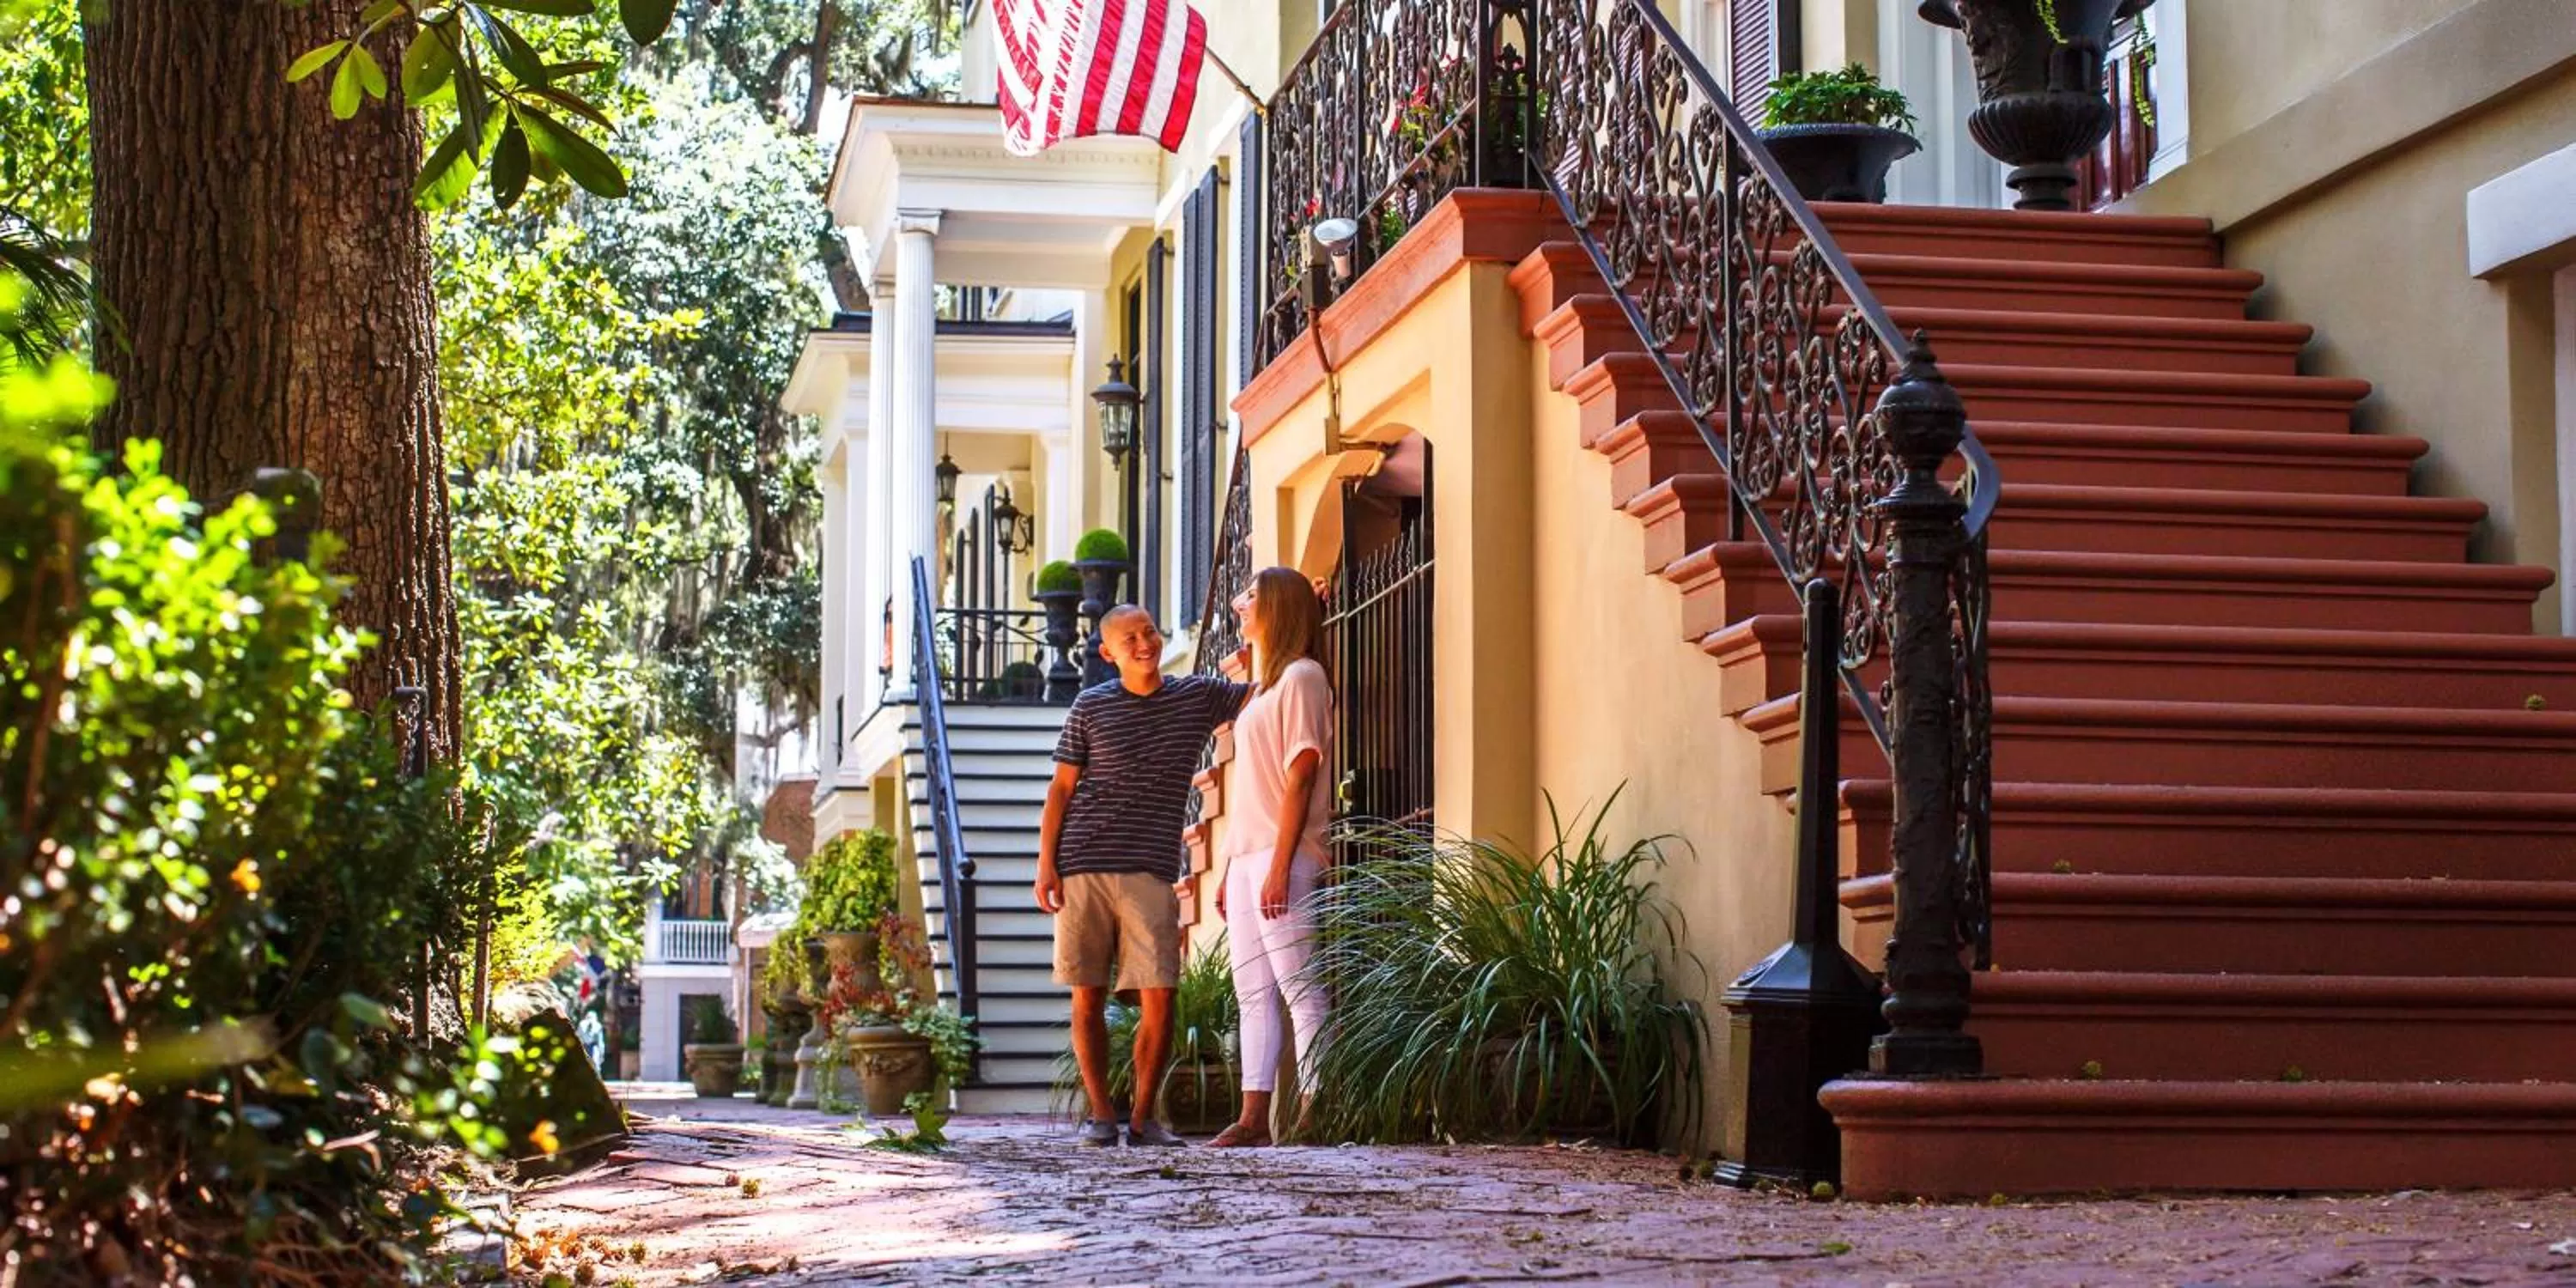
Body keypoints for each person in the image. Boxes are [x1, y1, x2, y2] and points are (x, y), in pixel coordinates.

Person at [1036, 604, 1249, 1148]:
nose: (1144, 643)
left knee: (1160, 992)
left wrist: (1296, 620)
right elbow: (1061, 790)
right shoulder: (1090, 705)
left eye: (1149, 631)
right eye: (1129, 638)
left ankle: (1143, 1119)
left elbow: (1263, 690)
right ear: (1108, 653)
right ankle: (1102, 1116)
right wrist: (1046, 864)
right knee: (1087, 991)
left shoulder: (1195, 696)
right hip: (1083, 860)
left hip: (1152, 867)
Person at [1206, 568, 1334, 1149]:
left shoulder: (1303, 678)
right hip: (1249, 856)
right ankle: (1254, 1116)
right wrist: (1232, 864)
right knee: (1252, 993)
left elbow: (1300, 772)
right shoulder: (1263, 687)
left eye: (1252, 595)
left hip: (1286, 854)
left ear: (1278, 607)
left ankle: (1316, 1111)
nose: (1239, 604)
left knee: (1299, 989)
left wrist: (1280, 865)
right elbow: (1249, 788)